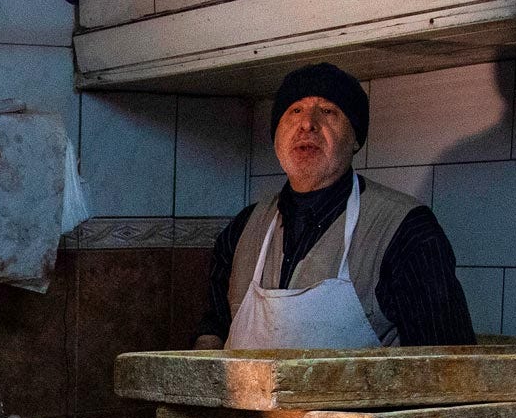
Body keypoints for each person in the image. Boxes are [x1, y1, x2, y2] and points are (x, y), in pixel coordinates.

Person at [195, 61, 476, 350]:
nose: (307, 123)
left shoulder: (406, 230)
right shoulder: (244, 228)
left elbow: (450, 361)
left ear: (355, 139)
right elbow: (215, 325)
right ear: (276, 134)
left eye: (328, 111)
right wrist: (205, 350)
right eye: (295, 110)